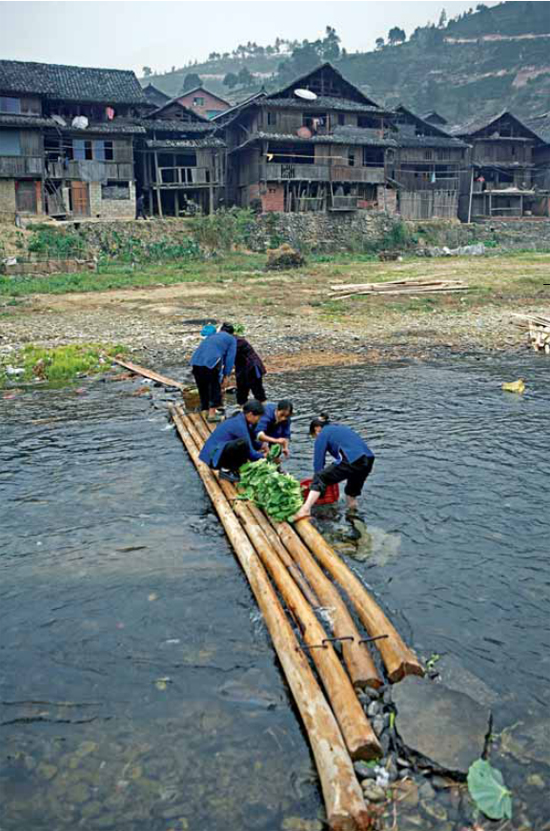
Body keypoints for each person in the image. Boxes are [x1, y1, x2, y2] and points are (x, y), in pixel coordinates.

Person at [293, 414, 375, 521]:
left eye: (314, 436)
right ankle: (353, 516)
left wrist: (317, 484)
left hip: (352, 459)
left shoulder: (323, 433)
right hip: (368, 459)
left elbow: (319, 463)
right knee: (351, 493)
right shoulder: (339, 428)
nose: (316, 438)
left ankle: (305, 510)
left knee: (320, 476)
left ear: (317, 429)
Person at [199, 400, 266, 483]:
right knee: (243, 443)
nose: (258, 420)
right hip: (213, 458)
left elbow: (250, 440)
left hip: (217, 451)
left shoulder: (241, 418)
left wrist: (260, 446)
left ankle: (232, 467)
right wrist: (265, 456)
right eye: (258, 417)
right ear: (250, 414)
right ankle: (225, 470)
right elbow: (251, 454)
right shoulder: (240, 425)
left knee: (244, 443)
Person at [190, 325, 237, 422]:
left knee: (202, 387)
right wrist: (226, 375)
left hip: (195, 362)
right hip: (211, 363)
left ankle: (205, 410)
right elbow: (230, 358)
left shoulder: (212, 336)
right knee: (214, 387)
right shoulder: (231, 339)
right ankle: (212, 415)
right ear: (232, 333)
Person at [220, 323, 267, 406]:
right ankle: (242, 411)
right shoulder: (231, 341)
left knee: (258, 392)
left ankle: (264, 411)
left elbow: (227, 356)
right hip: (241, 369)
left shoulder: (238, 341)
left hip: (252, 367)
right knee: (241, 393)